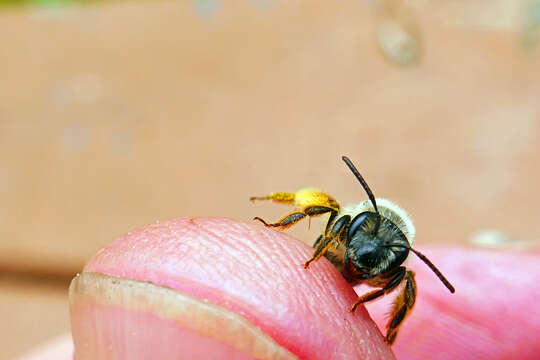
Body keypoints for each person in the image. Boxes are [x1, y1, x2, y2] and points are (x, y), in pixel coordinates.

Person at [19, 218, 540, 359]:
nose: (366, 260)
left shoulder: (395, 269)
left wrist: (378, 316)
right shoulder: (344, 220)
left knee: (408, 286)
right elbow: (323, 204)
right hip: (296, 288)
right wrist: (288, 227)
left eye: (380, 260)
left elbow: (395, 274)